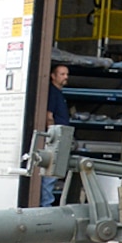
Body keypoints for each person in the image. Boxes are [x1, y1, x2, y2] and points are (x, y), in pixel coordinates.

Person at [41, 64, 71, 206]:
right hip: (57, 138)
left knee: (53, 173)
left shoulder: (59, 93)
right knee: (50, 174)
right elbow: (49, 115)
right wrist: (53, 135)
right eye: (62, 74)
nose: (66, 77)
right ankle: (46, 206)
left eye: (66, 74)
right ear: (53, 76)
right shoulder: (52, 92)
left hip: (61, 137)